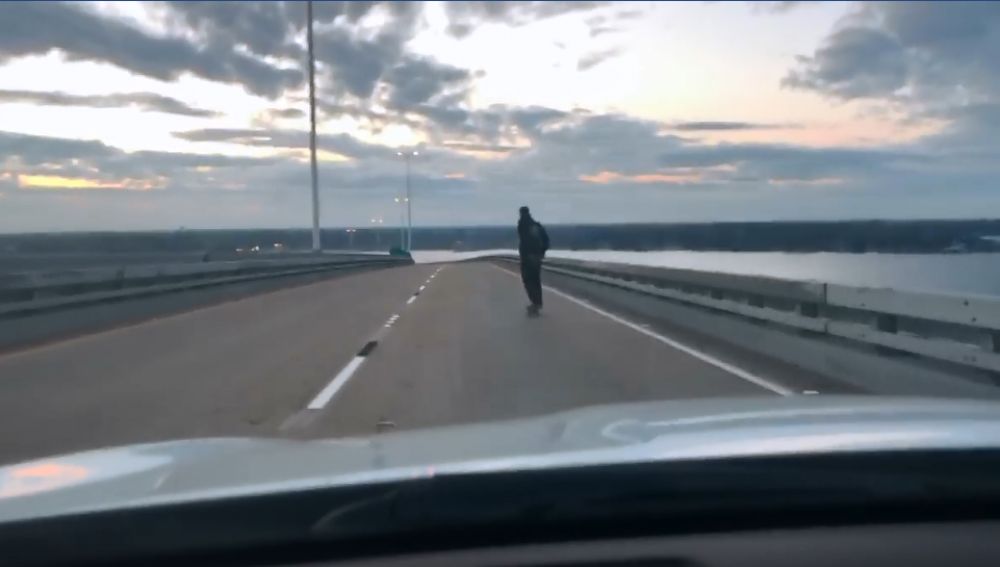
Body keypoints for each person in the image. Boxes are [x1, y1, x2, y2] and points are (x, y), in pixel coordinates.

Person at [517, 206, 549, 316]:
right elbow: (546, 240)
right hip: (537, 257)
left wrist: (525, 255)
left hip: (527, 258)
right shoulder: (537, 225)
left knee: (528, 280)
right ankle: (537, 302)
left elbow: (524, 242)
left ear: (521, 213)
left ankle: (535, 303)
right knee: (536, 280)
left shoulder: (523, 224)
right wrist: (541, 253)